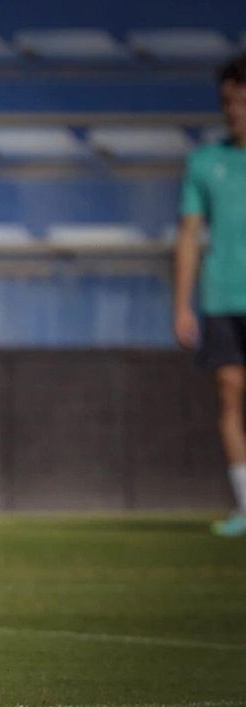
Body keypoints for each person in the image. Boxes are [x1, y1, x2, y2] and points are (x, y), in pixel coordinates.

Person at [173, 53, 246, 537]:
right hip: (223, 297)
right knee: (230, 394)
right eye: (227, 101)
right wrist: (181, 303)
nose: (233, 110)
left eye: (241, 101)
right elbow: (188, 235)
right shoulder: (204, 162)